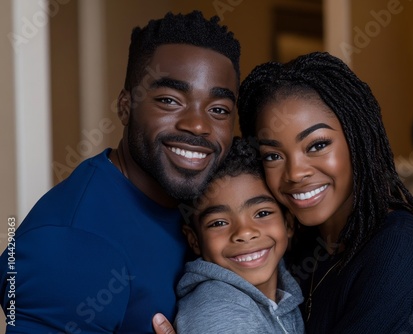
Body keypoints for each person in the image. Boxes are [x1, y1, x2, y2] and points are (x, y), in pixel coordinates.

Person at [0, 10, 240, 333]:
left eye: (219, 110)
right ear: (126, 106)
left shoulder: (206, 202)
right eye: (170, 100)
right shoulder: (71, 245)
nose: (198, 125)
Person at [236, 52, 413, 333]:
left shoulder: (402, 252)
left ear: (357, 139)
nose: (295, 173)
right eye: (273, 155)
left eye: (317, 145)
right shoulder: (302, 248)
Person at [173, 137, 304, 333]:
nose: (244, 232)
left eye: (262, 213)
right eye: (219, 223)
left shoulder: (285, 288)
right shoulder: (219, 311)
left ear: (288, 222)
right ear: (194, 240)